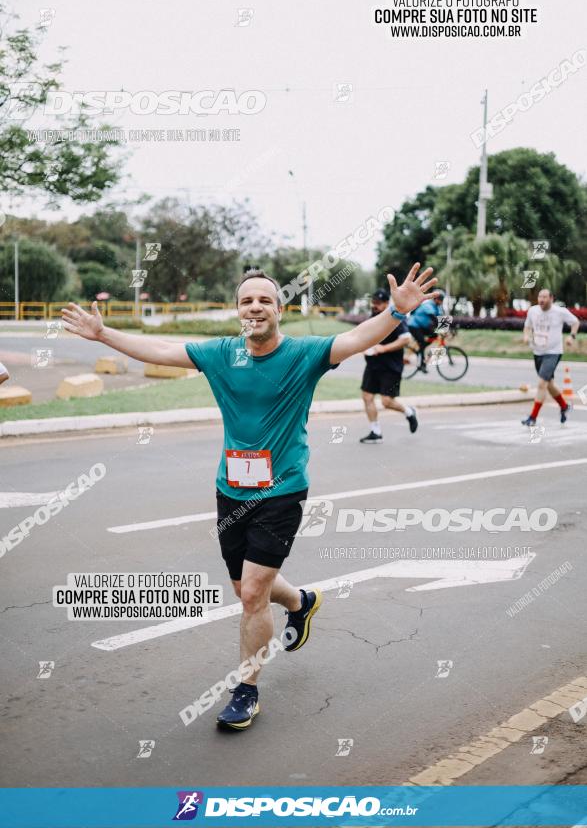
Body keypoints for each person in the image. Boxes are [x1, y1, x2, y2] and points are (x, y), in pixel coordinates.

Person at [60, 262, 436, 730]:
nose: (255, 307)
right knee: (244, 586)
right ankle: (300, 601)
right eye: (246, 300)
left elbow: (356, 340)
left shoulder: (305, 354)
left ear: (280, 309)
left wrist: (396, 314)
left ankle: (246, 690)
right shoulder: (221, 354)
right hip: (231, 490)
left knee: (252, 594)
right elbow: (158, 347)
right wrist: (102, 334)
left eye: (264, 300)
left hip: (283, 491)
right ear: (237, 311)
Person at [359, 288, 417, 443]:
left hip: (391, 366)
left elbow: (405, 339)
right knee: (367, 396)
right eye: (373, 302)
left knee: (386, 402)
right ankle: (375, 432)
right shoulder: (373, 316)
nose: (374, 305)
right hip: (373, 365)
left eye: (378, 303)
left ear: (386, 303)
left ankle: (409, 412)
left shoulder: (395, 316)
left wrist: (383, 348)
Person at [521, 288, 579, 426]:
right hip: (537, 352)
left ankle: (532, 418)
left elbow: (575, 322)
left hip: (553, 352)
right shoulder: (533, 311)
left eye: (545, 297)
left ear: (551, 298)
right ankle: (564, 407)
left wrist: (572, 336)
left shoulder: (560, 312)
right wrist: (526, 335)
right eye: (540, 297)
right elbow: (527, 327)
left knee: (542, 384)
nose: (541, 300)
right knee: (549, 385)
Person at [407, 289, 446, 371]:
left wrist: (449, 328)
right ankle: (421, 364)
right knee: (421, 342)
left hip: (421, 327)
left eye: (442, 300)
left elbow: (441, 319)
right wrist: (441, 329)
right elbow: (434, 318)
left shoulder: (437, 307)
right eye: (440, 300)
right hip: (413, 325)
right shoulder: (428, 304)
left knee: (434, 335)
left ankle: (422, 347)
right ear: (435, 299)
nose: (441, 302)